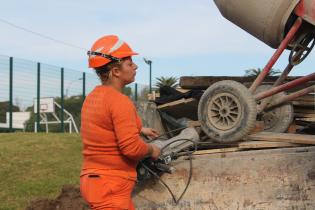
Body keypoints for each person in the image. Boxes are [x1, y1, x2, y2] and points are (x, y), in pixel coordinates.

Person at [80, 35, 161, 210]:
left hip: (94, 180)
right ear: (116, 71)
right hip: (111, 186)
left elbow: (105, 125)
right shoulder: (120, 101)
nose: (135, 66)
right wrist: (152, 149)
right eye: (129, 63)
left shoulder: (92, 98)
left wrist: (141, 129)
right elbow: (131, 148)